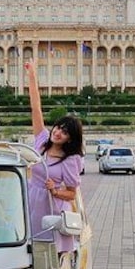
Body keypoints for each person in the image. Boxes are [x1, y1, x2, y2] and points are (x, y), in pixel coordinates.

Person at [24, 59, 84, 254]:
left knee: (51, 254)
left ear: (69, 139)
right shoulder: (41, 141)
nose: (58, 132)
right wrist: (32, 75)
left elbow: (72, 193)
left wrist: (55, 190)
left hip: (52, 207)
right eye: (58, 127)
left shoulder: (70, 159)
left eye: (65, 132)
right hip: (32, 199)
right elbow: (36, 108)